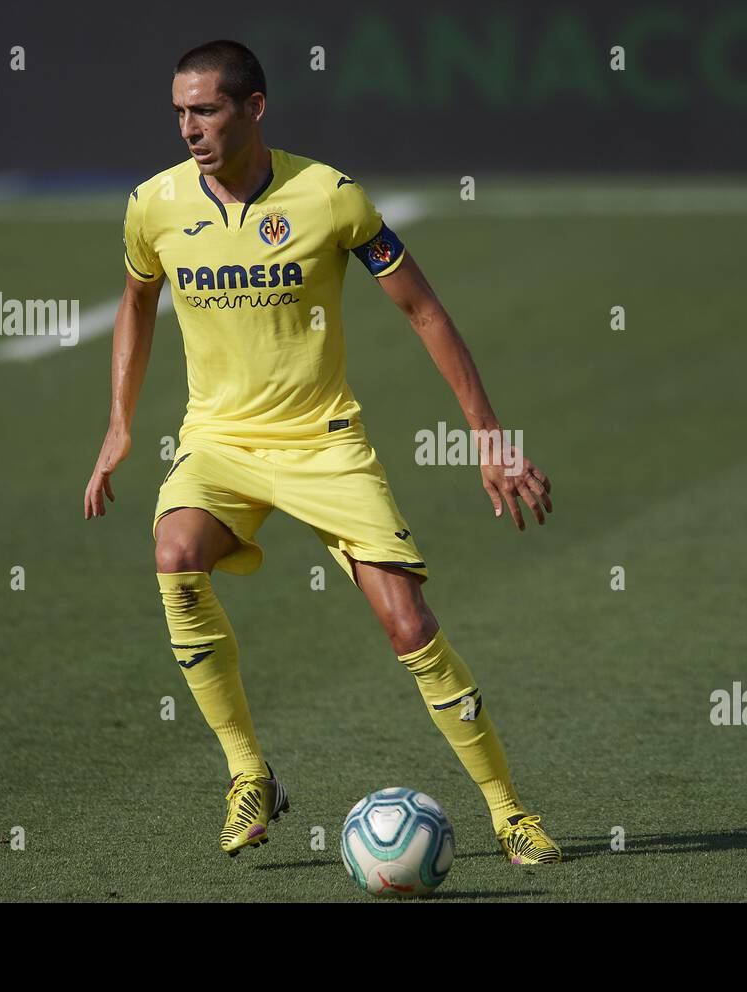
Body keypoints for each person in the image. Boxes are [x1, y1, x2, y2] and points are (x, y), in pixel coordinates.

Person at [83, 40, 559, 866]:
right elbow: (135, 303)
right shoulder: (153, 206)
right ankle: (248, 773)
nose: (189, 127)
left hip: (324, 444)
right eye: (179, 113)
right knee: (173, 553)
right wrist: (119, 423)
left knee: (409, 626)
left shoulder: (330, 197)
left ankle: (509, 812)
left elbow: (425, 312)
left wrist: (492, 438)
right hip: (219, 443)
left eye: (206, 110)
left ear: (254, 108)